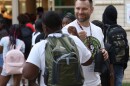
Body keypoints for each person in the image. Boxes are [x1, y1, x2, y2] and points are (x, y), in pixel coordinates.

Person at [23, 11, 91, 86]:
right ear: (61, 24)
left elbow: (27, 74)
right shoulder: (75, 40)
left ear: (44, 27)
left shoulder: (40, 46)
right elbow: (88, 61)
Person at [62, 0, 108, 86]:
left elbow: (100, 48)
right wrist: (77, 40)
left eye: (84, 9)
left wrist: (104, 52)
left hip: (96, 82)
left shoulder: (98, 30)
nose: (80, 12)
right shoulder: (66, 31)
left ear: (91, 10)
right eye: (78, 8)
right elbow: (63, 59)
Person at [102, 5, 129, 86]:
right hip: (121, 63)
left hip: (109, 64)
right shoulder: (121, 30)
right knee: (118, 81)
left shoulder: (105, 29)